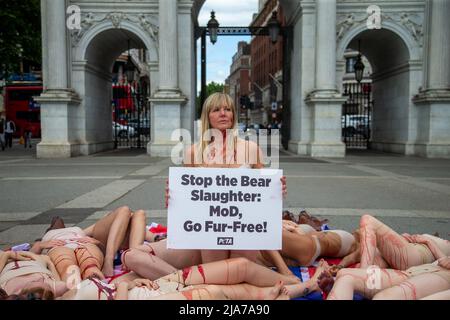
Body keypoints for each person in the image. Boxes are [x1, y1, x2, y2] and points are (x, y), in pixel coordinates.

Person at [168, 92, 287, 265]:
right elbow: (187, 197)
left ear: (233, 115)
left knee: (242, 273)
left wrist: (276, 189)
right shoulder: (192, 153)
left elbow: (263, 193)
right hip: (209, 226)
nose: (223, 113)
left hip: (245, 224)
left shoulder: (251, 148)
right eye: (216, 110)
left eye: (228, 109)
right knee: (217, 275)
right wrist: (174, 196)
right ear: (207, 116)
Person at [60, 256, 299, 300]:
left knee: (240, 267)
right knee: (219, 294)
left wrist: (130, 282)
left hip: (152, 286)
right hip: (151, 297)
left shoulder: (65, 289)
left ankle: (296, 283)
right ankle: (306, 286)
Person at [31, 206, 147, 278]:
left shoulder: (74, 232)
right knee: (125, 210)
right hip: (103, 243)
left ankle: (134, 259)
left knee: (139, 213)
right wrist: (40, 244)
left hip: (111, 240)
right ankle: (109, 260)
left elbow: (93, 228)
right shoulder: (51, 237)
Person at [316, 256, 450, 300]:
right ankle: (335, 289)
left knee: (383, 298)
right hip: (410, 273)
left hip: (440, 277)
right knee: (345, 276)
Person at [358, 214, 450, 270]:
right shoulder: (437, 239)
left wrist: (428, 241)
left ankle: (363, 273)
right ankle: (365, 277)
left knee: (367, 219)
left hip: (417, 256)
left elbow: (444, 262)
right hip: (411, 253)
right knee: (364, 264)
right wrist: (405, 238)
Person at [0, 250, 68, 299]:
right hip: (34, 262)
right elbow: (60, 285)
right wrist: (49, 263)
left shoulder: (7, 291)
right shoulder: (50, 288)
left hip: (8, 265)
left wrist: (7, 255)